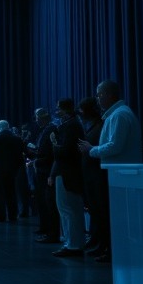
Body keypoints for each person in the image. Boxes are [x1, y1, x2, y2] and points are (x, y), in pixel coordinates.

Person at [78, 80, 142, 263]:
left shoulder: (119, 115)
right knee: (110, 214)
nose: (97, 99)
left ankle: (113, 249)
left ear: (108, 95)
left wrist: (92, 150)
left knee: (114, 216)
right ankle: (108, 247)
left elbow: (115, 146)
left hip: (119, 174)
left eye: (99, 95)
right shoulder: (116, 114)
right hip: (116, 174)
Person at [49, 99, 86, 257]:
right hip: (71, 172)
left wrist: (54, 143)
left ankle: (72, 244)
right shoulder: (75, 124)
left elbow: (63, 152)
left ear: (65, 110)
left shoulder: (69, 126)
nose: (57, 112)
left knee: (67, 209)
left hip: (67, 173)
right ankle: (74, 242)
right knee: (72, 209)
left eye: (58, 109)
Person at [78, 96, 106, 256]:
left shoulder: (100, 125)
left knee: (100, 210)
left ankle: (100, 243)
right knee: (95, 210)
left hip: (97, 175)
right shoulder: (93, 126)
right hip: (91, 175)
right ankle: (96, 241)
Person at [31, 108, 59, 243]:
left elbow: (49, 153)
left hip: (45, 171)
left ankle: (50, 231)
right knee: (42, 201)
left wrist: (37, 160)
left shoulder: (50, 130)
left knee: (48, 203)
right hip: (42, 170)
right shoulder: (45, 130)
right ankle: (45, 228)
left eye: (37, 117)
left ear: (43, 117)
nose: (36, 120)